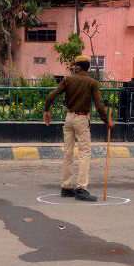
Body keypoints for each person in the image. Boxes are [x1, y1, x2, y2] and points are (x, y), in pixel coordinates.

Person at [43, 55, 113, 202]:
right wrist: (107, 121)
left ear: (79, 66)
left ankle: (66, 187)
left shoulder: (68, 80)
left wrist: (46, 111)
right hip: (82, 119)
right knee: (84, 153)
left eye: (75, 65)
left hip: (68, 118)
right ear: (88, 67)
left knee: (68, 153)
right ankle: (81, 188)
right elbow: (99, 105)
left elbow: (51, 96)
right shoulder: (92, 82)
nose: (73, 67)